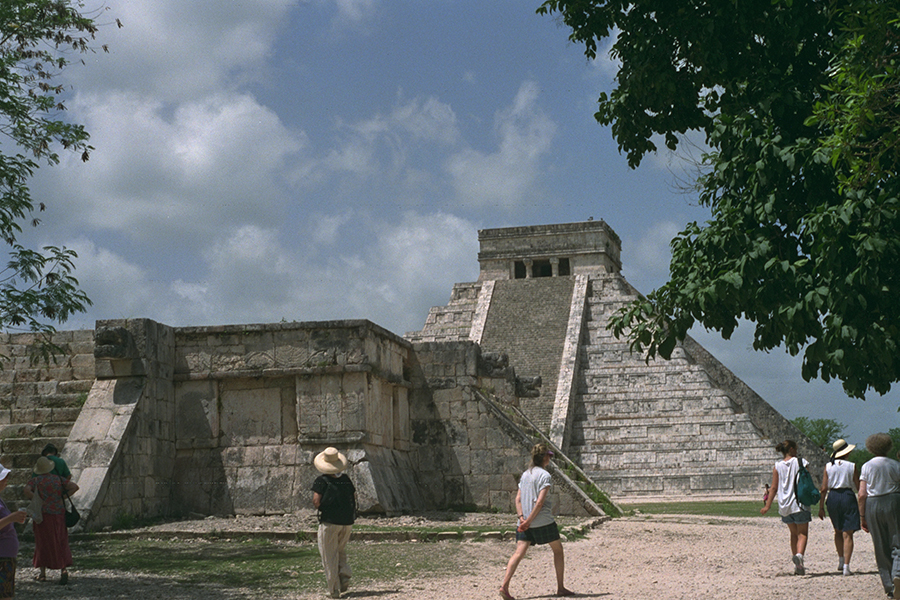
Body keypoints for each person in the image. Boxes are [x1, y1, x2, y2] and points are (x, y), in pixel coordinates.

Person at [499, 443, 573, 600]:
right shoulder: (545, 476)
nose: (550, 458)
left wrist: (522, 519)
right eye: (549, 456)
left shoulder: (525, 475)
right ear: (545, 457)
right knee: (558, 550)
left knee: (519, 552)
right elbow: (539, 502)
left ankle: (504, 586)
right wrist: (530, 520)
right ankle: (560, 587)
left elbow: (518, 499)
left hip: (524, 522)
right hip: (542, 521)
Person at [23, 456, 78, 585]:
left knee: (42, 542)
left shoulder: (36, 480)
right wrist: (61, 497)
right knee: (60, 539)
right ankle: (63, 569)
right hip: (58, 513)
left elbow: (26, 490)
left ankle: (42, 574)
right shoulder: (57, 479)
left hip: (43, 515)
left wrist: (37, 499)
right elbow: (74, 487)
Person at [760, 439, 813, 575]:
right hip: (799, 503)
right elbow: (807, 482)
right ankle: (800, 556)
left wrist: (767, 506)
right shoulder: (801, 462)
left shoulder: (777, 466)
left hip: (784, 506)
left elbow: (774, 488)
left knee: (793, 534)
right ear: (791, 450)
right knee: (803, 534)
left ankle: (798, 568)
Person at [858, 433, 900, 598]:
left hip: (873, 504)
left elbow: (862, 494)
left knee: (881, 547)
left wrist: (862, 516)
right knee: (897, 542)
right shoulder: (895, 465)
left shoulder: (867, 466)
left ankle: (889, 587)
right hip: (894, 501)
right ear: (888, 446)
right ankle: (898, 573)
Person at [311, 447, 356, 599]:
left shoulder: (321, 481)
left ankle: (334, 590)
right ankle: (344, 572)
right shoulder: (346, 480)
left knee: (329, 555)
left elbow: (316, 501)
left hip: (330, 522)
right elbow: (353, 496)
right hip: (347, 521)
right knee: (340, 549)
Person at [818, 438, 860, 575]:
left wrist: (821, 507)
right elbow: (858, 487)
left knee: (837, 530)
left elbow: (824, 488)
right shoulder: (851, 466)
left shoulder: (828, 466)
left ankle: (841, 560)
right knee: (848, 533)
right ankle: (847, 566)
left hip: (833, 497)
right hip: (847, 495)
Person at [0, 463, 27, 599]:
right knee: (5, 595)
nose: (6, 481)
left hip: (6, 555)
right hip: (2, 556)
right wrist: (11, 518)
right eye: (3, 478)